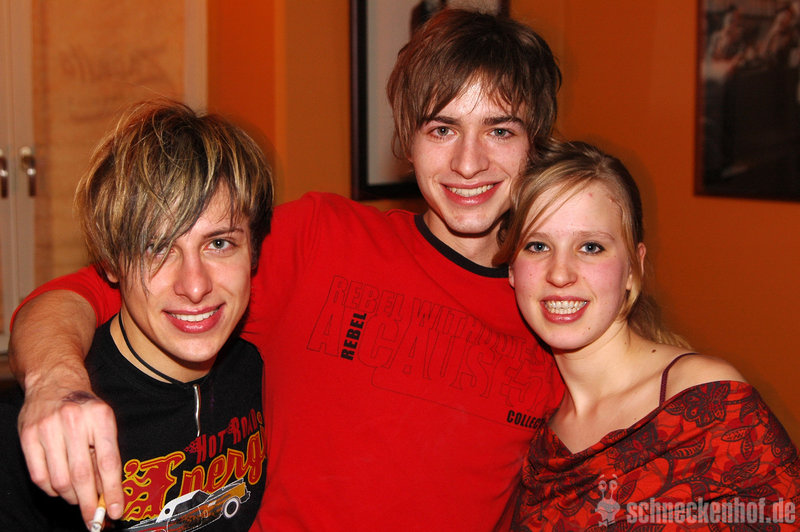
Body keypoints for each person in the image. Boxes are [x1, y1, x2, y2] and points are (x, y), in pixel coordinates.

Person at [9, 9, 565, 531]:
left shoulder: (558, 309)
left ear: (535, 143)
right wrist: (55, 383)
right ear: (408, 140)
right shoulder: (321, 239)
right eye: (442, 129)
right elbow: (80, 295)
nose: (469, 163)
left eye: (500, 130)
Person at [494, 141, 800, 530]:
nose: (560, 273)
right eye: (538, 246)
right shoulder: (532, 430)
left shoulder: (706, 401)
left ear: (633, 267)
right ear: (512, 268)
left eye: (591, 247)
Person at [1, 101, 272, 530]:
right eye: (157, 248)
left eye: (218, 243)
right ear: (110, 262)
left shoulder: (261, 369)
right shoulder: (44, 426)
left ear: (253, 251)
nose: (195, 286)